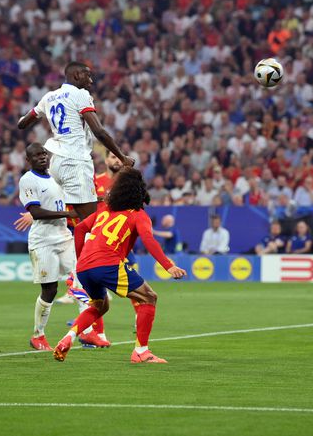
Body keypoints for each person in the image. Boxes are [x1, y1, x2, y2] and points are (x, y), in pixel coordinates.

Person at [53, 168, 187, 364]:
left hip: (84, 267)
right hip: (107, 264)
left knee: (99, 306)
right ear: (140, 192)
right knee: (149, 297)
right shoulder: (138, 215)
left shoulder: (105, 211)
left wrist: (81, 258)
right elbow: (149, 239)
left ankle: (69, 337)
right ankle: (141, 351)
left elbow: (80, 228)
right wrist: (168, 266)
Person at [17, 61, 135, 233]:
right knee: (93, 225)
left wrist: (38, 115)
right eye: (88, 75)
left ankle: (71, 255)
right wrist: (122, 157)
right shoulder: (80, 94)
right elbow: (99, 131)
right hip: (75, 161)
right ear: (76, 75)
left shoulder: (49, 97)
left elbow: (22, 123)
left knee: (71, 218)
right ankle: (93, 259)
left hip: (56, 162)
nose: (91, 81)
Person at [19, 144, 110, 351]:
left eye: (44, 154)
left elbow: (75, 200)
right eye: (36, 155)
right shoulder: (27, 180)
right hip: (42, 240)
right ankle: (38, 335)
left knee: (82, 278)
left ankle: (86, 332)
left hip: (63, 236)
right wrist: (69, 215)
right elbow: (36, 212)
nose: (42, 157)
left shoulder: (56, 176)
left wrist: (98, 200)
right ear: (29, 160)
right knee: (50, 290)